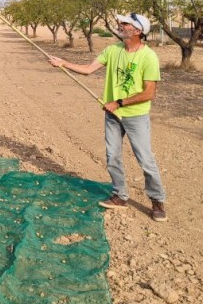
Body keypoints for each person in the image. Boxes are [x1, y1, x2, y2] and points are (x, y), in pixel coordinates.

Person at [48, 13, 167, 222]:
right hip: (112, 115)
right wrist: (63, 63)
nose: (120, 26)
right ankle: (120, 196)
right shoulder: (113, 50)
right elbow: (88, 69)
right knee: (112, 156)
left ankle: (157, 201)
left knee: (145, 160)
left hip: (135, 116)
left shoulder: (149, 57)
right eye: (121, 23)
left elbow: (149, 93)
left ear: (138, 31)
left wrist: (119, 102)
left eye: (125, 24)